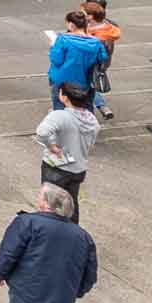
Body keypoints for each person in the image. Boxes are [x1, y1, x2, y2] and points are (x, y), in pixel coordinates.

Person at [34, 82, 99, 211]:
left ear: (64, 97)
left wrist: (51, 146)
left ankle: (49, 229)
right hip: (78, 169)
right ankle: (71, 228)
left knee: (49, 205)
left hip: (56, 167)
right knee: (70, 204)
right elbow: (90, 143)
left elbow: (42, 132)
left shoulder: (60, 116)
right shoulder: (92, 120)